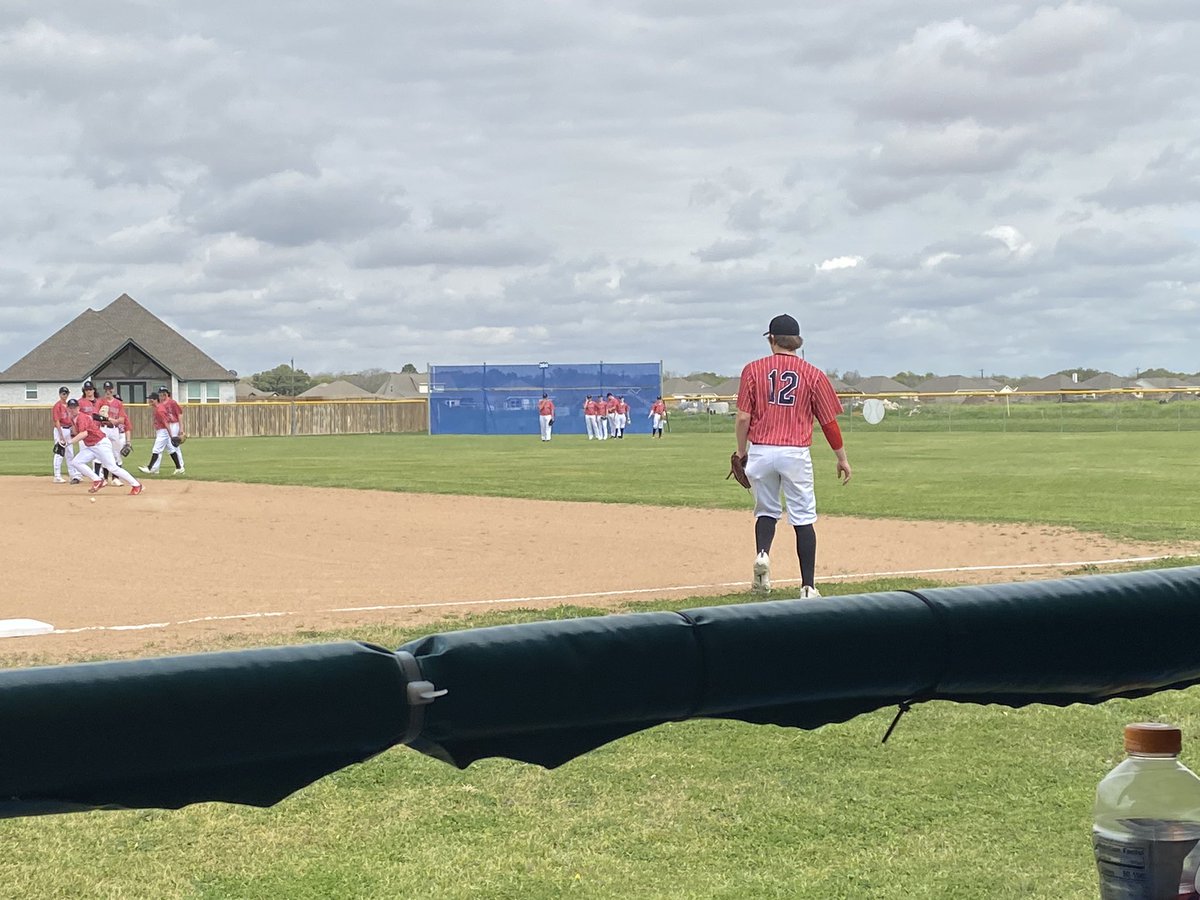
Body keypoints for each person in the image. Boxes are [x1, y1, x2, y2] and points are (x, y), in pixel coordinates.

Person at [735, 313, 851, 598]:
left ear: (772, 339)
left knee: (766, 511)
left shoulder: (752, 369)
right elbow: (828, 422)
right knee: (802, 517)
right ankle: (808, 586)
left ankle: (762, 556)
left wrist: (741, 452)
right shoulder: (813, 374)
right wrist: (842, 457)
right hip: (795, 452)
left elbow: (742, 418)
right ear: (797, 342)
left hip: (761, 450)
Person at [66, 398, 143, 495]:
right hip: (91, 446)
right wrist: (64, 441)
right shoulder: (73, 419)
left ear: (78, 407)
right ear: (68, 409)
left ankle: (136, 485)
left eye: (74, 407)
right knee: (76, 462)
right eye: (71, 408)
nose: (73, 409)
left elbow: (84, 433)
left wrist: (68, 442)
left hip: (101, 444)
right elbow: (77, 433)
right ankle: (97, 480)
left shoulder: (81, 417)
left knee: (113, 468)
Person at [138, 392, 184, 475]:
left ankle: (150, 468)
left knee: (156, 449)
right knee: (171, 449)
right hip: (162, 431)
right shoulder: (159, 408)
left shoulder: (160, 409)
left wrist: (171, 435)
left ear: (156, 400)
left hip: (163, 432)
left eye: (151, 399)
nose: (149, 400)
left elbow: (166, 423)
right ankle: (179, 467)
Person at [157, 385, 185, 474]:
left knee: (174, 444)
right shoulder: (160, 405)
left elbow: (180, 414)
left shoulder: (172, 403)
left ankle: (180, 466)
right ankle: (179, 466)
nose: (161, 396)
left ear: (166, 394)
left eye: (163, 394)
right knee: (168, 445)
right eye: (160, 394)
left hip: (174, 424)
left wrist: (181, 428)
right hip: (167, 426)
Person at [50, 386, 76, 483]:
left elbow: (72, 420)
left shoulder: (68, 406)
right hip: (60, 429)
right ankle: (57, 476)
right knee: (59, 453)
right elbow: (57, 421)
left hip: (68, 429)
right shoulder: (57, 405)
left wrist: (73, 430)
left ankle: (72, 475)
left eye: (66, 393)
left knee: (70, 453)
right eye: (63, 393)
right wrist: (60, 435)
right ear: (60, 394)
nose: (65, 395)